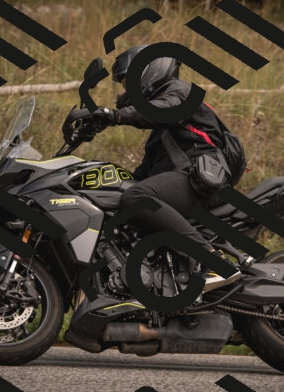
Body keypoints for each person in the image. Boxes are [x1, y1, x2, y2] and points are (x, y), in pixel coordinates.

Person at [88, 45, 241, 293]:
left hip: (203, 182)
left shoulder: (181, 92)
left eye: (128, 82)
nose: (125, 91)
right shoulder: (159, 136)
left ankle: (213, 263)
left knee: (136, 198)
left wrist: (115, 116)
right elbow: (143, 175)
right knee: (125, 196)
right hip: (186, 182)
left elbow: (163, 109)